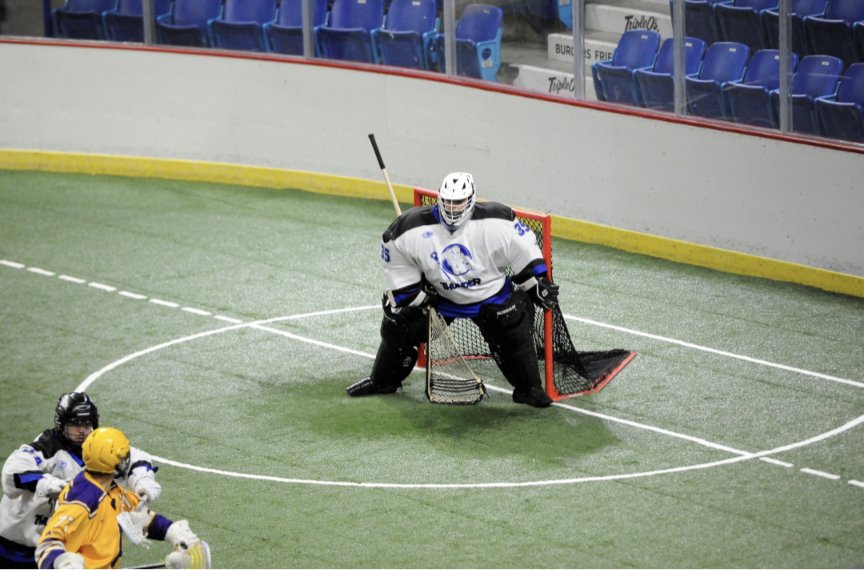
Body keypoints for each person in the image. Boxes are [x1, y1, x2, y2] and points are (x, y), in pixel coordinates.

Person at [347, 172, 559, 408]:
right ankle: (383, 381)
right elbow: (397, 262)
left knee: (512, 323)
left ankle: (529, 389)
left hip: (491, 295)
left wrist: (536, 282)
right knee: (399, 323)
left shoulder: (497, 221)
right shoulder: (408, 229)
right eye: (447, 201)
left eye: (458, 202)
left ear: (471, 200)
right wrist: (416, 291)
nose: (452, 208)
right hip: (441, 298)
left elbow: (523, 249)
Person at [0, 393, 162, 568]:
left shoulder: (96, 448)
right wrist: (49, 484)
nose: (82, 431)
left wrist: (142, 478)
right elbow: (12, 471)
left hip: (58, 549)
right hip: (13, 546)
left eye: (87, 424)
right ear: (62, 425)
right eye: (75, 425)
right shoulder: (47, 445)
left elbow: (132, 456)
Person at [35, 427, 203, 569]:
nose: (126, 459)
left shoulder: (109, 489)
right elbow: (47, 545)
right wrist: (64, 563)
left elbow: (141, 516)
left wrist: (174, 532)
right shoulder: (83, 499)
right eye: (123, 456)